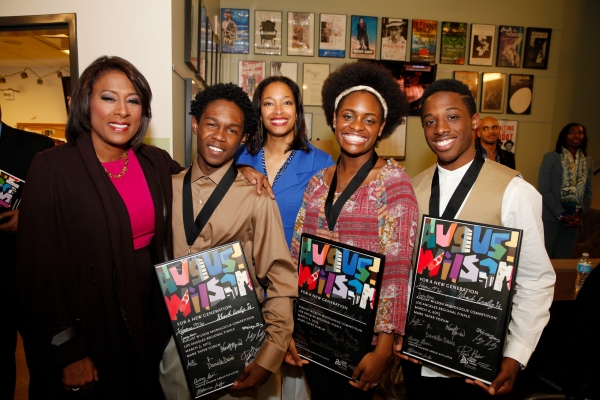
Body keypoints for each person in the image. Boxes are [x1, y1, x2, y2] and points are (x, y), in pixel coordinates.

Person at [15, 55, 183, 399]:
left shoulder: (154, 161)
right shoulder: (52, 167)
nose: (122, 110)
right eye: (109, 98)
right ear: (84, 103)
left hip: (149, 316)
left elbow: (203, 184)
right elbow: (38, 275)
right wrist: (68, 351)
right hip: (91, 324)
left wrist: (245, 172)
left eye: (133, 100)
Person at [397, 79, 555, 398]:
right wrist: (400, 329)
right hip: (418, 357)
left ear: (475, 121)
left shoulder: (514, 191)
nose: (440, 128)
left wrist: (515, 357)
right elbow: (407, 273)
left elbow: (534, 281)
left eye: (452, 116)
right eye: (430, 121)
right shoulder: (411, 189)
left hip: (477, 366)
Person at [287, 61, 419, 400]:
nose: (356, 125)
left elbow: (398, 270)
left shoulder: (394, 184)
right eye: (348, 115)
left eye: (369, 119)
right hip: (315, 331)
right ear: (333, 118)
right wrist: (289, 325)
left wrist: (384, 350)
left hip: (362, 341)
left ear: (382, 128)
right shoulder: (318, 183)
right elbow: (296, 253)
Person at [159, 83, 298, 400]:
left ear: (243, 138)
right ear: (196, 124)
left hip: (237, 344)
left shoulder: (256, 197)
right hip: (175, 342)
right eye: (211, 124)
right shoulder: (165, 188)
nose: (219, 137)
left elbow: (280, 280)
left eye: (232, 130)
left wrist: (270, 354)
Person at [235, 76, 334, 247]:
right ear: (259, 112)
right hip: (243, 266)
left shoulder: (322, 163)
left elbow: (333, 227)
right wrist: (238, 169)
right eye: (268, 103)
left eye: (287, 103)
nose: (278, 111)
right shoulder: (238, 157)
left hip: (294, 268)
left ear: (297, 112)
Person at [0, 105, 54, 400]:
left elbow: (59, 205)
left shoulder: (36, 147)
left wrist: (28, 217)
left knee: (44, 364)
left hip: (29, 279)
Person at [538, 123, 593, 259]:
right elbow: (544, 189)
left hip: (573, 220)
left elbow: (588, 191)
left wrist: (579, 214)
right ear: (564, 136)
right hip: (552, 218)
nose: (576, 136)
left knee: (564, 258)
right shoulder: (551, 158)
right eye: (571, 132)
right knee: (545, 258)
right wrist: (561, 214)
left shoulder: (588, 161)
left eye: (579, 133)